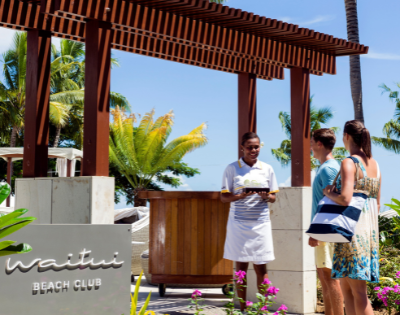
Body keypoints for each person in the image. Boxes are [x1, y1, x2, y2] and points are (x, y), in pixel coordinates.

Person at [323, 120, 381, 315]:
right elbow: (377, 203)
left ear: (346, 136)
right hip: (368, 231)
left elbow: (345, 198)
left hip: (351, 230)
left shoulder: (349, 162)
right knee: (349, 289)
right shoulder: (374, 164)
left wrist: (329, 193)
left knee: (358, 291)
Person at [220, 132, 279, 311]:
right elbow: (224, 198)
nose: (253, 150)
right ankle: (243, 309)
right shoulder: (232, 169)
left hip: (260, 223)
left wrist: (266, 196)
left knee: (262, 267)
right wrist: (241, 196)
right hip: (239, 224)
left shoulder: (267, 168)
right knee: (241, 269)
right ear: (242, 148)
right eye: (250, 147)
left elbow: (274, 197)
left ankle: (262, 308)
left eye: (256, 147)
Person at [308, 129, 344, 315]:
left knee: (330, 279)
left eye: (312, 142)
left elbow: (332, 201)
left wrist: (317, 231)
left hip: (327, 228)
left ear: (320, 144)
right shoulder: (324, 167)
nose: (310, 146)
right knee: (324, 277)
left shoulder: (329, 168)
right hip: (324, 228)